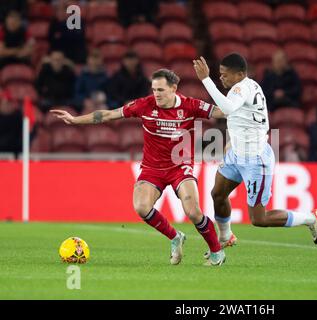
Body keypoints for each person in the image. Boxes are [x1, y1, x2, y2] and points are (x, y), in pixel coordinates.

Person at [50, 69, 227, 266]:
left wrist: (246, 113)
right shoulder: (144, 105)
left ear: (174, 89)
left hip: (180, 166)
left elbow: (222, 111)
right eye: (154, 89)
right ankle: (175, 237)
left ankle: (216, 252)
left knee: (193, 211)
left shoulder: (190, 105)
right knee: (141, 207)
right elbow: (108, 115)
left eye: (160, 89)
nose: (156, 94)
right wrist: (75, 120)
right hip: (152, 168)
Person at [193, 53, 317, 258]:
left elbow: (227, 109)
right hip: (237, 154)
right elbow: (244, 117)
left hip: (255, 160)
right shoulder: (248, 86)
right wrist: (232, 142)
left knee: (259, 219)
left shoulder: (241, 87)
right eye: (220, 74)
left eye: (225, 75)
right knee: (217, 194)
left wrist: (206, 79)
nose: (222, 78)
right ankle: (226, 237)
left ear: (240, 74)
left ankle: (309, 219)